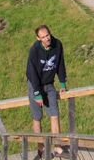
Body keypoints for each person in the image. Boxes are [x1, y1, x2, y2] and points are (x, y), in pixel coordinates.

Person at [26, 25, 68, 158]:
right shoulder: (35, 50)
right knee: (37, 117)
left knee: (55, 114)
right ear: (38, 38)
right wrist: (37, 94)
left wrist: (62, 82)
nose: (47, 38)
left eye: (48, 35)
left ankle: (58, 146)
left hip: (49, 84)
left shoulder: (57, 45)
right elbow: (31, 73)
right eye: (43, 37)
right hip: (35, 85)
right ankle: (41, 147)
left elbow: (60, 63)